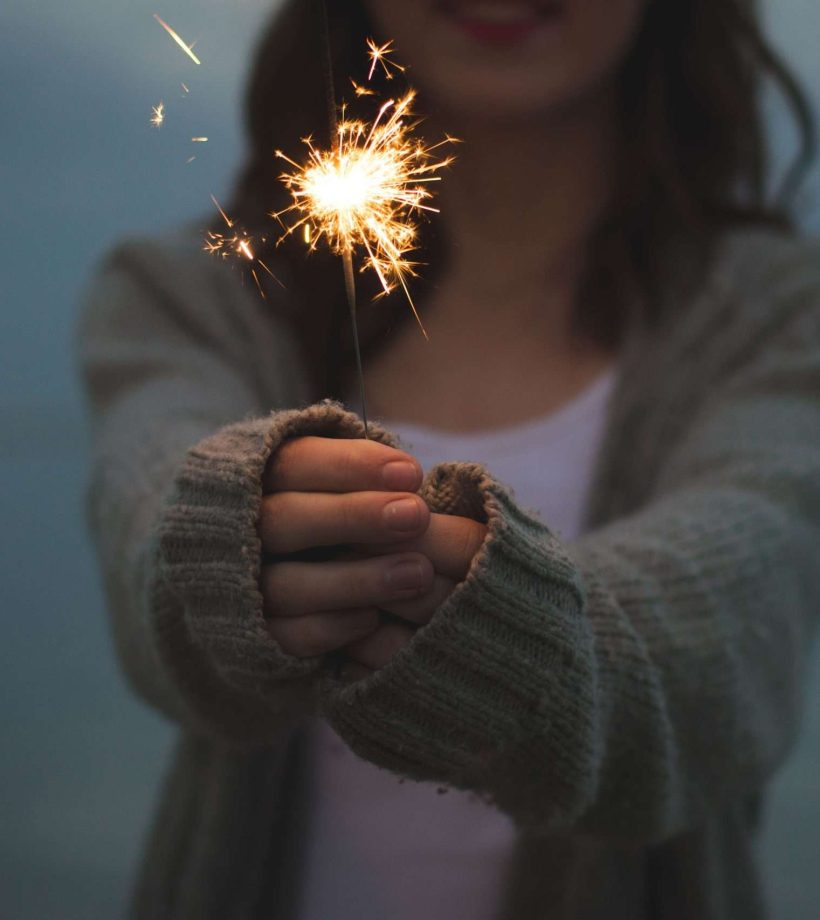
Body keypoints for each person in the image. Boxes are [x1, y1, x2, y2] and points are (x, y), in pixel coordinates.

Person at [79, 0, 820, 917]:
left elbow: (739, 614)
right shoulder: (191, 296)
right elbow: (148, 518)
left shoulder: (787, 319)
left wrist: (522, 637)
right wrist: (225, 541)